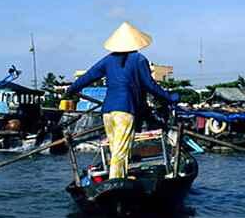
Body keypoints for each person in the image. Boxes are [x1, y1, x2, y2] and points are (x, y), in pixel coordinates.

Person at [66, 22, 179, 179]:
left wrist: (71, 90)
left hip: (107, 112)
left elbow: (88, 76)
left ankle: (121, 177)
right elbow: (150, 85)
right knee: (120, 151)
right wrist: (170, 98)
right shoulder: (139, 59)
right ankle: (116, 181)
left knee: (116, 149)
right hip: (124, 110)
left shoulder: (107, 60)